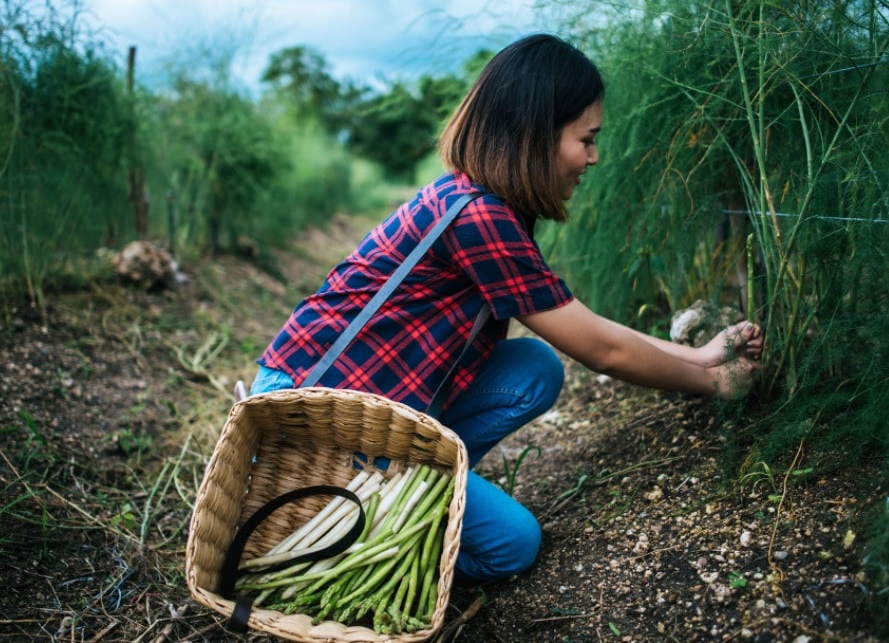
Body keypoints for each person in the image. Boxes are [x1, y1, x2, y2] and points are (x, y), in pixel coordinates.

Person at [250, 33, 763, 582]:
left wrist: (702, 355)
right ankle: (371, 531)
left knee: (533, 368)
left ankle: (408, 488)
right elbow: (604, 350)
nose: (594, 157)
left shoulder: (481, 202)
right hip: (313, 418)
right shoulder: (478, 218)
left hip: (368, 403)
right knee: (512, 545)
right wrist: (713, 384)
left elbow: (582, 322)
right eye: (586, 138)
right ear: (536, 134)